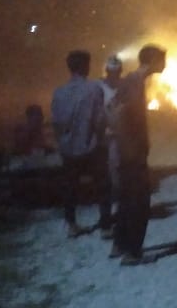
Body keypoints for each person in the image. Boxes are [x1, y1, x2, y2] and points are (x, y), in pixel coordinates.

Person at [110, 44, 166, 266]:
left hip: (126, 153)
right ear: (151, 61)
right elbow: (124, 114)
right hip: (133, 154)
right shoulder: (135, 85)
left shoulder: (131, 81)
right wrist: (133, 146)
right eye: (162, 60)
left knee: (126, 200)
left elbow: (113, 107)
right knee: (140, 203)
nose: (165, 65)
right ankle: (132, 253)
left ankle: (119, 245)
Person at [50, 50, 112, 238]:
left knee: (70, 187)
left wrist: (62, 141)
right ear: (86, 66)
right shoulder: (94, 89)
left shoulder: (59, 92)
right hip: (91, 145)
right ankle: (106, 226)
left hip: (69, 148)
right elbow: (100, 119)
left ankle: (71, 225)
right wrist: (101, 138)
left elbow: (56, 122)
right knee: (103, 185)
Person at [97, 55, 124, 218]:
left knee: (119, 174)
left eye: (117, 71)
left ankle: (119, 206)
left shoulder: (124, 86)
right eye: (112, 71)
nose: (114, 74)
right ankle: (107, 213)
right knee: (106, 176)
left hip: (121, 137)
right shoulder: (98, 87)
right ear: (107, 71)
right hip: (104, 137)